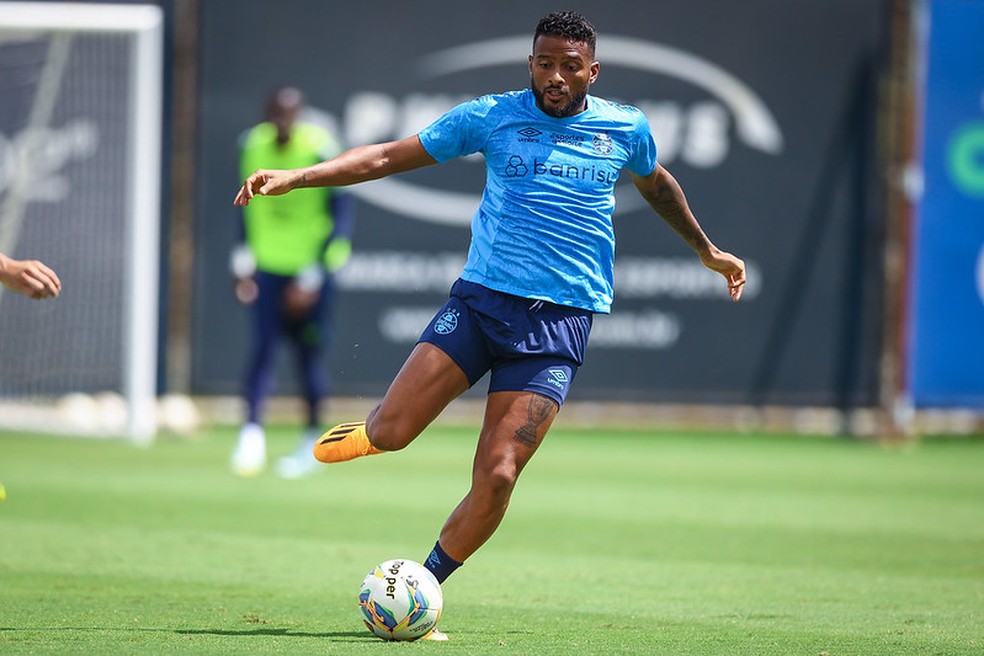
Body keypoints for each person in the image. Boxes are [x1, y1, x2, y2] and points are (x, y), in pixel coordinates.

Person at [235, 12, 745, 638]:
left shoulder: (625, 127)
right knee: (394, 433)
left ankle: (419, 586)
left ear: (593, 70)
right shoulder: (492, 115)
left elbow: (657, 182)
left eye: (568, 65)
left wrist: (705, 250)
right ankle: (370, 431)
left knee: (499, 474)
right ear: (530, 62)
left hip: (559, 325)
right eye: (542, 62)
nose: (554, 76)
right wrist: (299, 177)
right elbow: (389, 156)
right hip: (482, 304)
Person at [229, 86, 355, 479]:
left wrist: (313, 275)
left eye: (289, 115)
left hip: (309, 273)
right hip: (267, 268)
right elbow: (245, 207)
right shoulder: (251, 144)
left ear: (299, 115)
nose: (282, 122)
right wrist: (243, 263)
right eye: (275, 115)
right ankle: (251, 435)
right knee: (262, 350)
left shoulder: (319, 147)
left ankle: (310, 442)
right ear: (267, 114)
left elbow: (341, 215)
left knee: (307, 356)